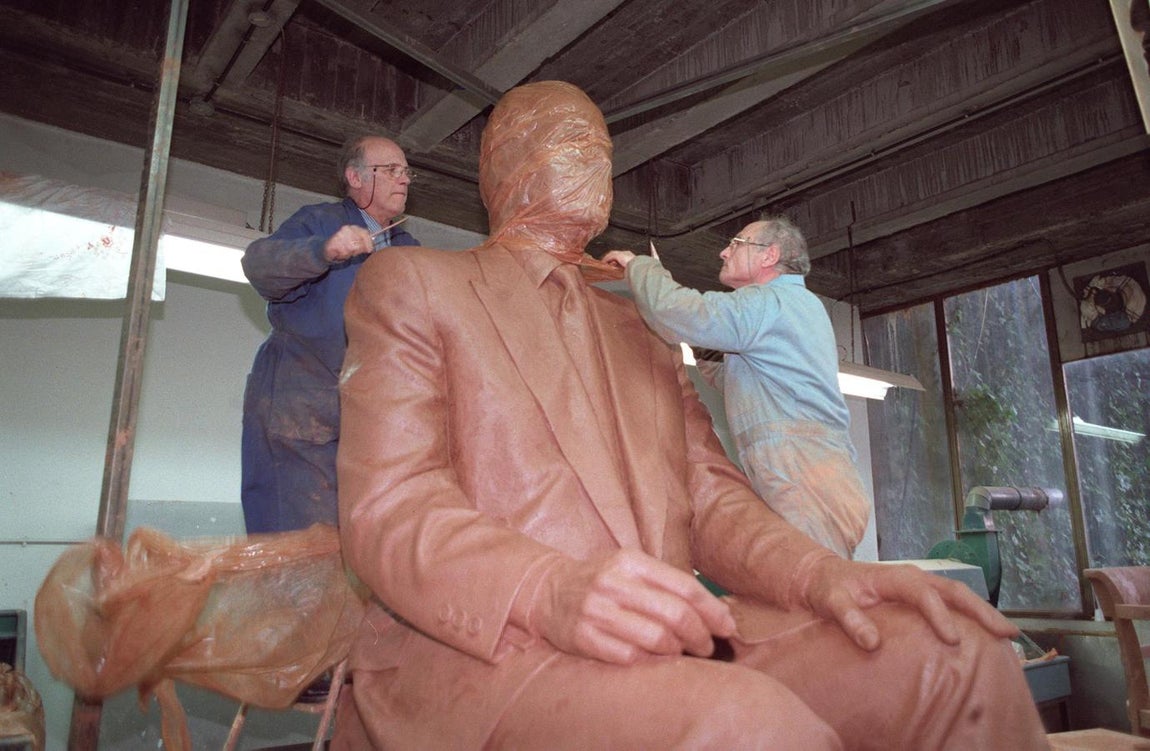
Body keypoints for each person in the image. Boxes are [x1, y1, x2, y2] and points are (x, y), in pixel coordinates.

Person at [332, 81, 1048, 750]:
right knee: (747, 728)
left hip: (671, 638)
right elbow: (391, 504)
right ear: (505, 161)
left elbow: (711, 498)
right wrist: (546, 588)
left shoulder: (640, 329)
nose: (598, 162)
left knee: (962, 654)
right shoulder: (416, 284)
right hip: (498, 647)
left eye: (603, 152)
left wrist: (820, 574)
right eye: (572, 141)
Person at [604, 219, 869, 558]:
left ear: (769, 255)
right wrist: (697, 342)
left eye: (737, 242)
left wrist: (641, 268)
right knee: (797, 584)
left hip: (802, 470)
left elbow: (680, 312)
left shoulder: (771, 303)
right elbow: (735, 378)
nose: (723, 251)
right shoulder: (789, 308)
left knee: (813, 591)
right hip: (806, 467)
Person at [240, 135, 419, 535]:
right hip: (302, 406)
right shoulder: (320, 222)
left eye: (406, 171)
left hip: (370, 416)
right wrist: (324, 250)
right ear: (354, 177)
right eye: (390, 170)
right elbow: (259, 265)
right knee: (297, 543)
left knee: (363, 549)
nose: (403, 179)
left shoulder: (408, 250)